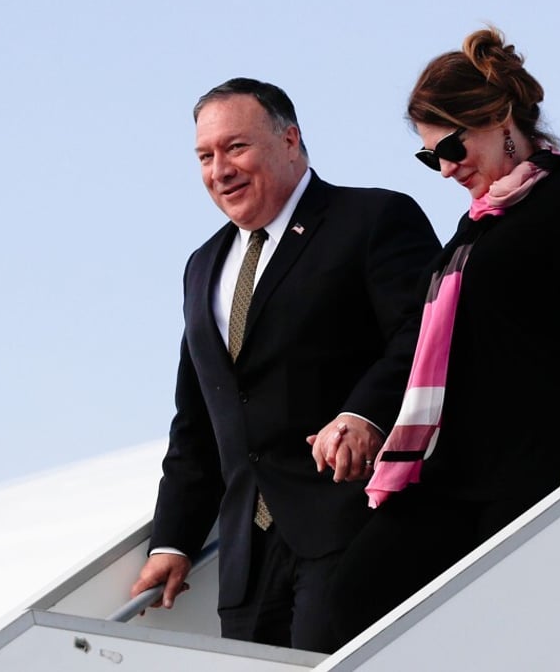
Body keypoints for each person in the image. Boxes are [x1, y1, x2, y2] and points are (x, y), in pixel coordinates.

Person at [321, 26, 560, 642]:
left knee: (516, 631)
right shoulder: (476, 225)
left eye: (452, 146)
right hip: (459, 469)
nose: (445, 168)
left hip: (540, 463)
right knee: (352, 600)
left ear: (499, 118)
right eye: (430, 157)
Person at [129, 77, 441, 653]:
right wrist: (172, 541)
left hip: (353, 525)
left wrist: (365, 414)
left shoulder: (373, 218)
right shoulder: (202, 266)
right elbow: (198, 419)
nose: (220, 170)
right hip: (246, 563)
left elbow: (423, 340)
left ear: (290, 140)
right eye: (205, 156)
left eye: (236, 147)